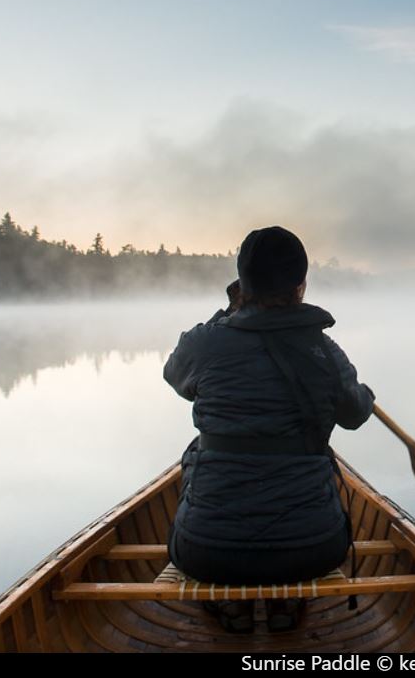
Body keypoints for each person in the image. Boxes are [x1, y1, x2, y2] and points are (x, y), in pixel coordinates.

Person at [162, 226, 375, 634]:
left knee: (197, 450)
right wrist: (365, 392)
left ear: (242, 284)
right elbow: (355, 414)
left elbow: (176, 376)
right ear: (301, 286)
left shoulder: (204, 344)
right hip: (314, 550)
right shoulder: (326, 353)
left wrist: (227, 314)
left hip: (206, 551)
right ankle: (287, 600)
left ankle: (232, 608)